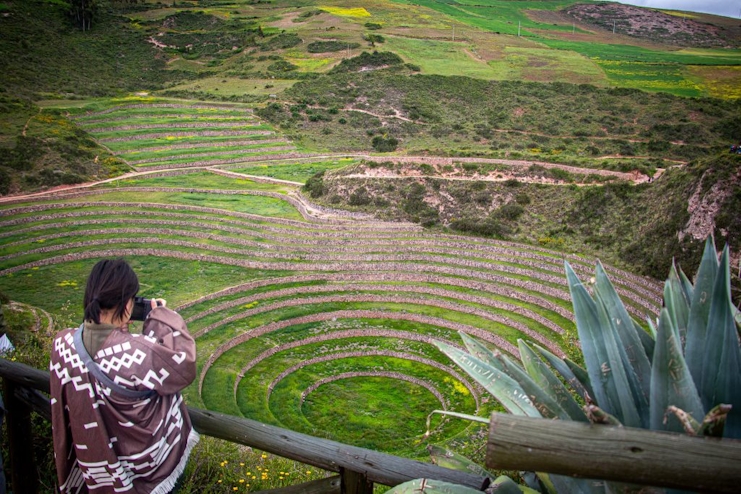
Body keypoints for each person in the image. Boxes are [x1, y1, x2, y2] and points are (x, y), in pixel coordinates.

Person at [49, 259, 199, 493]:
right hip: (143, 467)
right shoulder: (137, 353)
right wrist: (160, 318)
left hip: (93, 465)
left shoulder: (62, 344)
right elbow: (183, 365)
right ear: (126, 302)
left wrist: (121, 327)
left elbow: (103, 353)